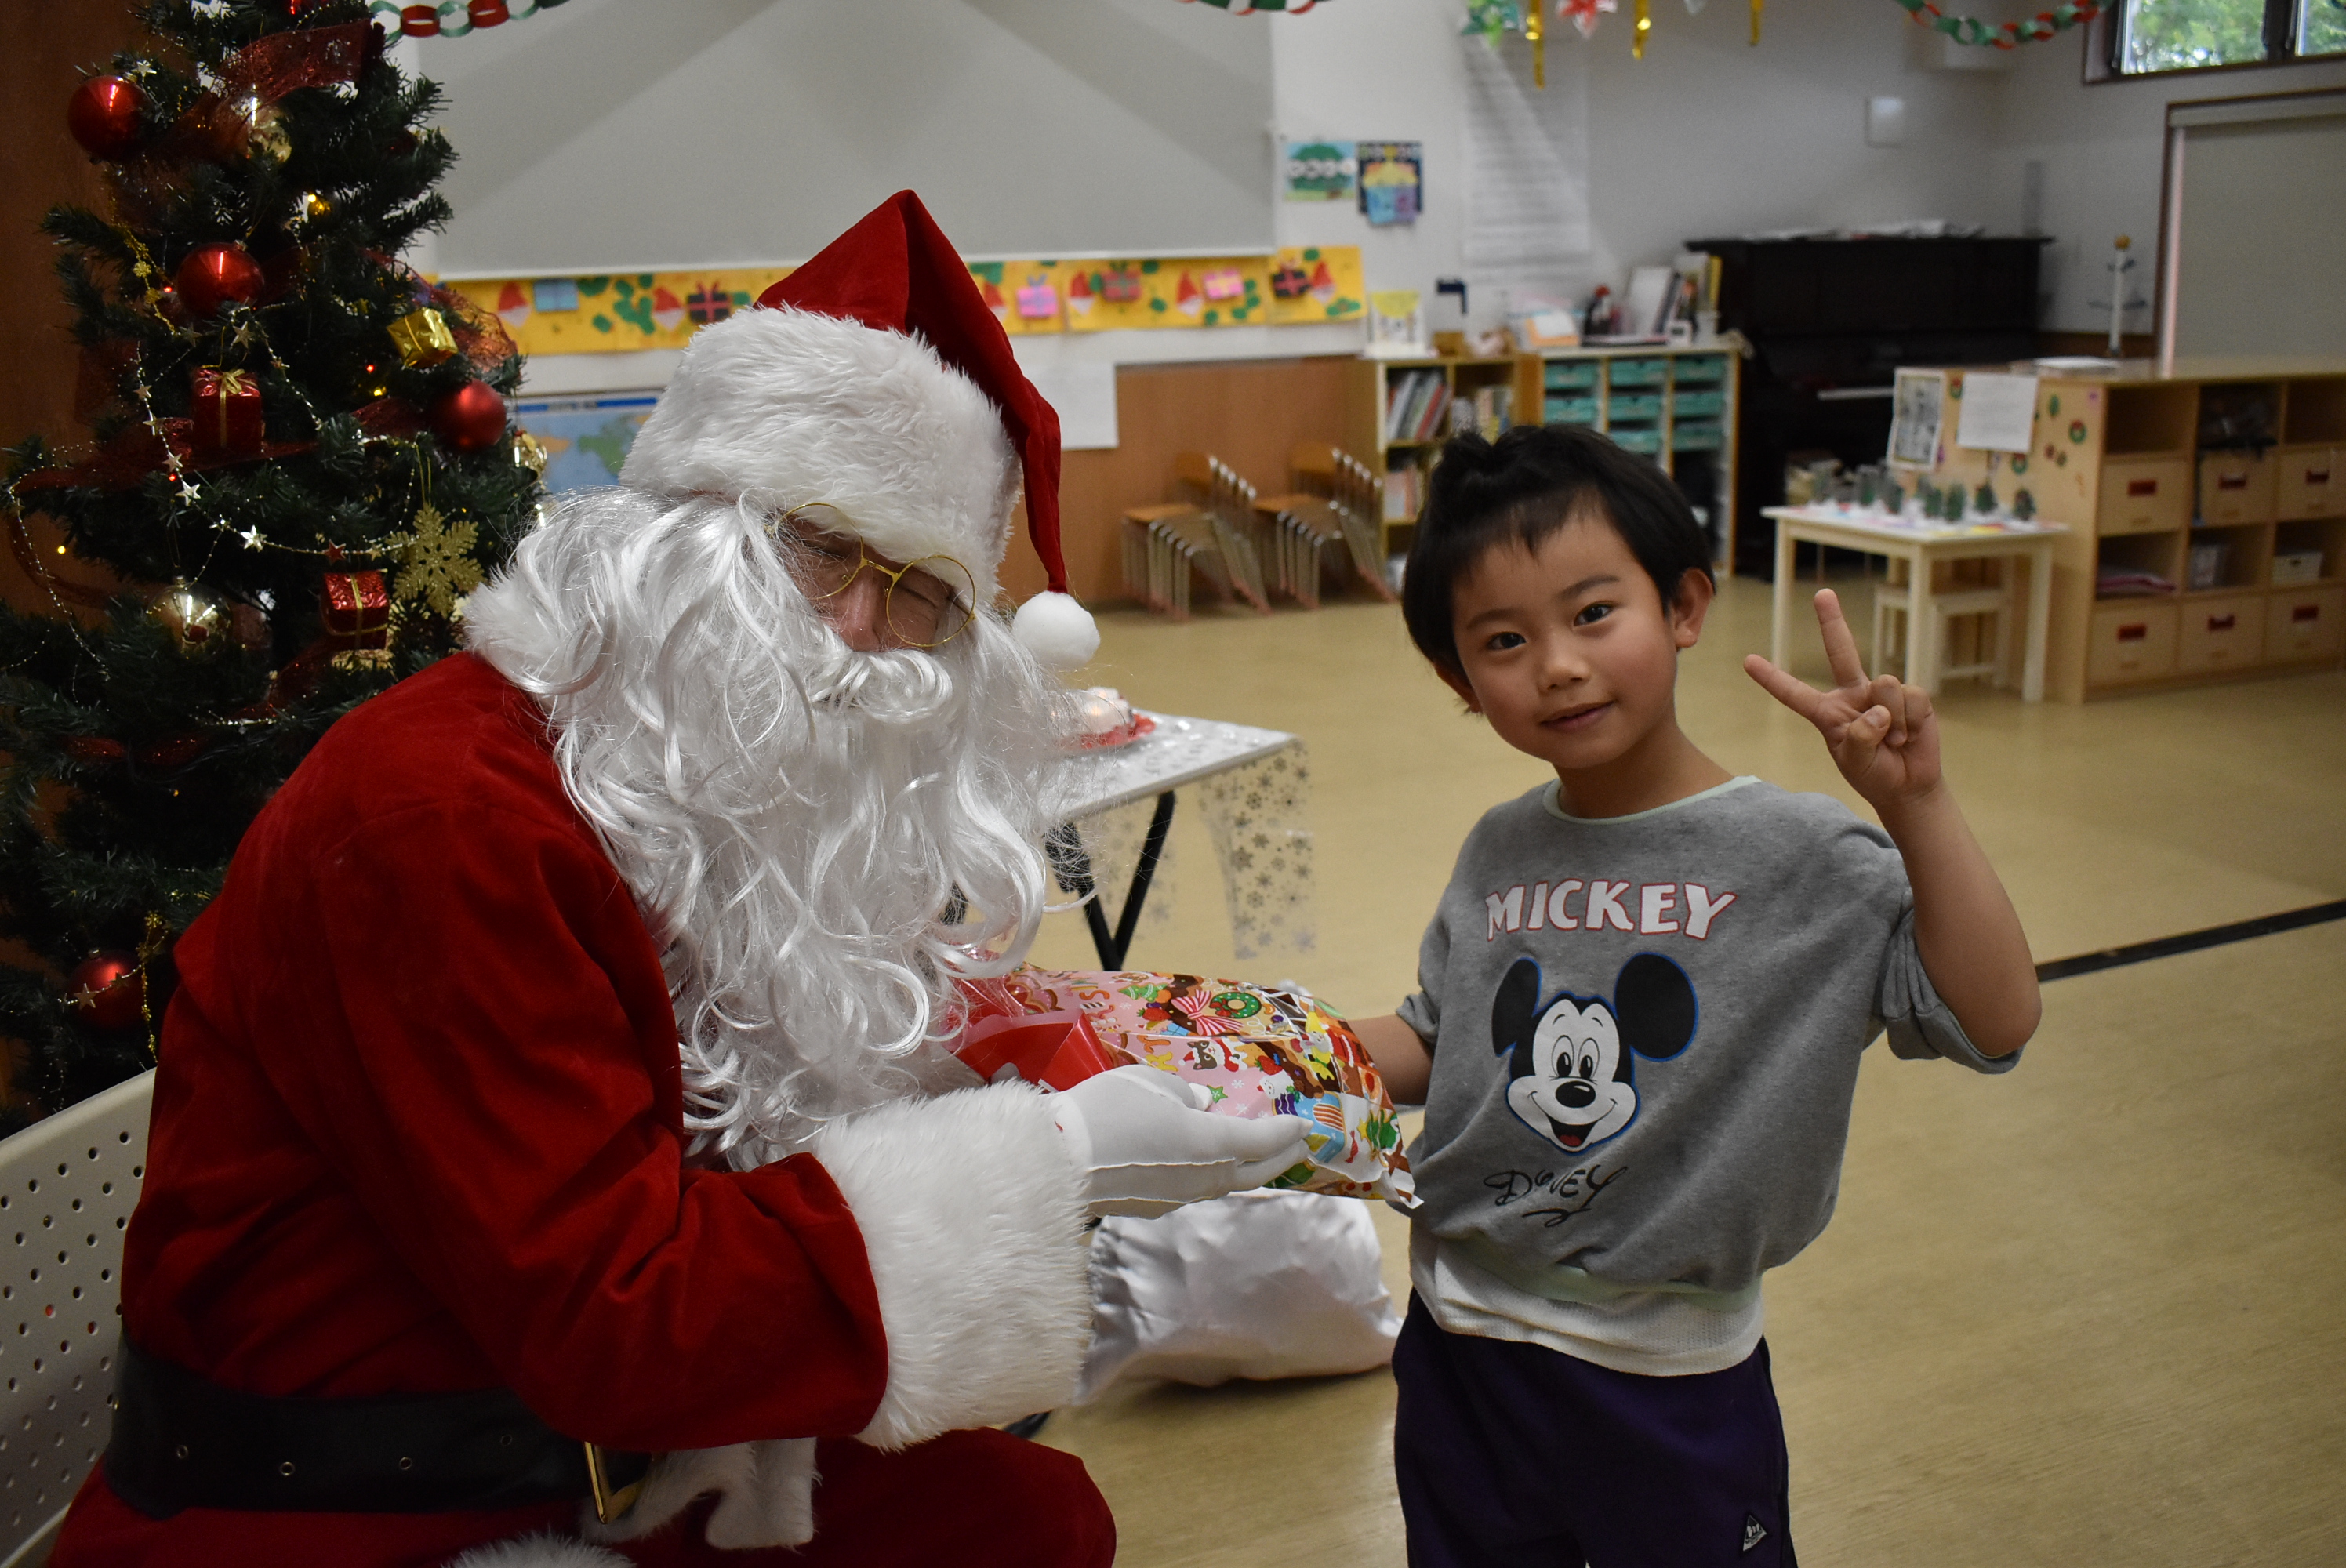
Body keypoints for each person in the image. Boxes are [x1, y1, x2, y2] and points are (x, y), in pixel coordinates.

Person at [52, 192, 1310, 1568]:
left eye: (919, 594)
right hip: (351, 1502)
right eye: (820, 545)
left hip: (595, 1436)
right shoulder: (443, 815)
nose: (857, 630)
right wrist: (1056, 1160)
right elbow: (614, 1317)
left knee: (1033, 1516)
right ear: (679, 527)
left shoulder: (685, 792)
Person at [1349, 424, 2039, 1566]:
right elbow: (1441, 1039)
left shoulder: (1803, 855)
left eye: (1593, 613)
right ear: (1458, 679)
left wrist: (1917, 807)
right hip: (1461, 1336)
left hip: (1665, 1375)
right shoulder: (1501, 845)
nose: (1557, 664)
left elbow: (1992, 1019)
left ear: (1683, 606)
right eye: (1505, 640)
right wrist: (1269, 1053)